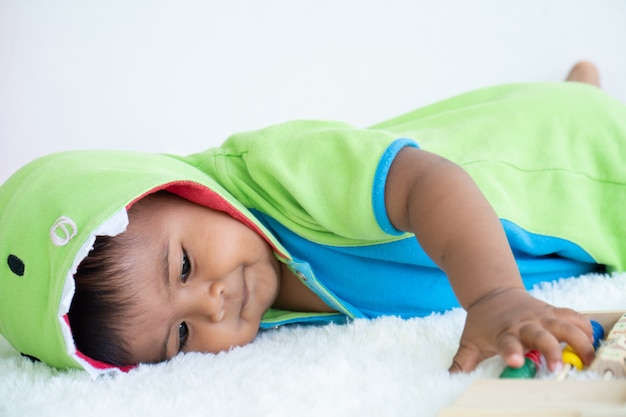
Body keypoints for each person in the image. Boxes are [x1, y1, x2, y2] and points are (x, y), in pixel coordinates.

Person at [0, 61, 624, 378]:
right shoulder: (261, 309)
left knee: (561, 130)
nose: (213, 306)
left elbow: (428, 183)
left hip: (562, 160)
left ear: (182, 189)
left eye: (184, 267)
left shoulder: (275, 167)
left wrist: (494, 297)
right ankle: (576, 86)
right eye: (182, 336)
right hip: (528, 228)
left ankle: (577, 98)